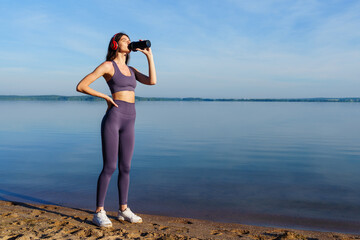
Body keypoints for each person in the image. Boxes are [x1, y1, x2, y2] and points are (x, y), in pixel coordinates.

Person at [76, 32, 156, 227]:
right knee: (110, 166)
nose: (128, 43)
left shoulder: (131, 69)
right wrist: (106, 97)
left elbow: (152, 81)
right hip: (114, 117)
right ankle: (99, 212)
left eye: (129, 41)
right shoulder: (108, 66)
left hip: (131, 119)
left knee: (126, 167)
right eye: (124, 40)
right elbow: (81, 86)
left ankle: (123, 209)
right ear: (115, 44)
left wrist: (149, 56)